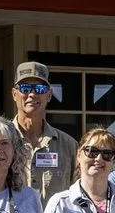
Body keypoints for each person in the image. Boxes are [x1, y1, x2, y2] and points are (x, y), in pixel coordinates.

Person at [10, 61, 79, 201]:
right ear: (14, 94)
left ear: (48, 95)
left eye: (40, 89)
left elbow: (79, 194)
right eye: (25, 88)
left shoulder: (69, 145)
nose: (32, 94)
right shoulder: (1, 142)